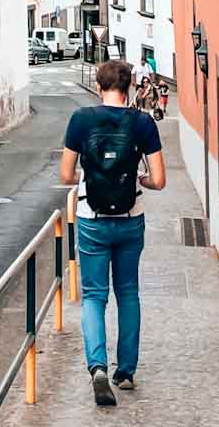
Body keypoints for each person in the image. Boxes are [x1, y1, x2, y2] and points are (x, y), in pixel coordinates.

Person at [59, 58, 167, 407]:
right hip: (130, 217)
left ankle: (98, 367)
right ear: (130, 86)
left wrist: (91, 178)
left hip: (91, 218)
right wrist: (139, 180)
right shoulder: (143, 124)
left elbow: (65, 175)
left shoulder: (80, 120)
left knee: (93, 296)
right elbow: (160, 180)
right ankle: (126, 371)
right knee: (128, 292)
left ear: (99, 84)